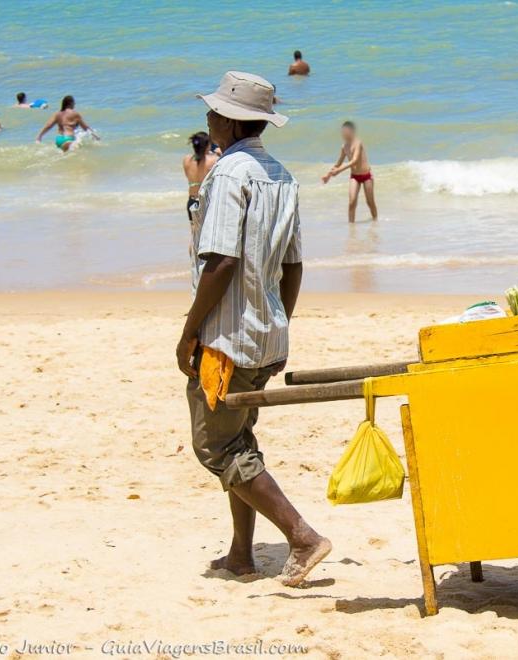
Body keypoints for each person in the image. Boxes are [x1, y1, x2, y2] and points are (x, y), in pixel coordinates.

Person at [179, 71, 330, 585]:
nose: (207, 117)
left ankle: (302, 537)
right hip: (266, 334)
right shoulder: (281, 175)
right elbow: (293, 267)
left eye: (213, 110)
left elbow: (219, 263)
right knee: (239, 441)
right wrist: (280, 326)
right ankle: (241, 553)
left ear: (230, 119)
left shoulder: (228, 174)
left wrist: (189, 331)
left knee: (217, 447)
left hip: (228, 341)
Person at [322, 121, 378, 222]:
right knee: (352, 202)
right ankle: (351, 228)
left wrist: (339, 170)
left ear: (352, 132)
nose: (344, 134)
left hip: (366, 176)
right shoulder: (344, 146)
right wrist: (328, 175)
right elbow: (338, 163)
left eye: (346, 131)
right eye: (343, 132)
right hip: (355, 177)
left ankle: (375, 221)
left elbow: (354, 161)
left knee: (370, 202)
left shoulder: (358, 143)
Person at [35, 95, 99, 151]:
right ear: (70, 103)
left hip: (59, 139)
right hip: (68, 139)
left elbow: (48, 125)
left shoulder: (57, 114)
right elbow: (85, 127)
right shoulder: (75, 114)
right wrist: (95, 136)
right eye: (74, 102)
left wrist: (39, 136)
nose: (75, 104)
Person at [183, 131, 220, 223]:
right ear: (207, 145)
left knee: (194, 233)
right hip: (206, 201)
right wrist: (219, 152)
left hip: (191, 201)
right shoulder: (213, 159)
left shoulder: (186, 159)